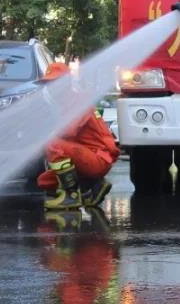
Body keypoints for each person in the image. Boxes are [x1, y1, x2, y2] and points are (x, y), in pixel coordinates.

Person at [38, 62, 120, 211]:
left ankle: (72, 196)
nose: (50, 88)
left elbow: (69, 131)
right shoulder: (67, 102)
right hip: (89, 156)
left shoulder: (78, 101)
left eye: (55, 83)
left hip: (97, 159)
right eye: (48, 84)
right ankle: (94, 186)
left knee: (53, 144)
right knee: (45, 182)